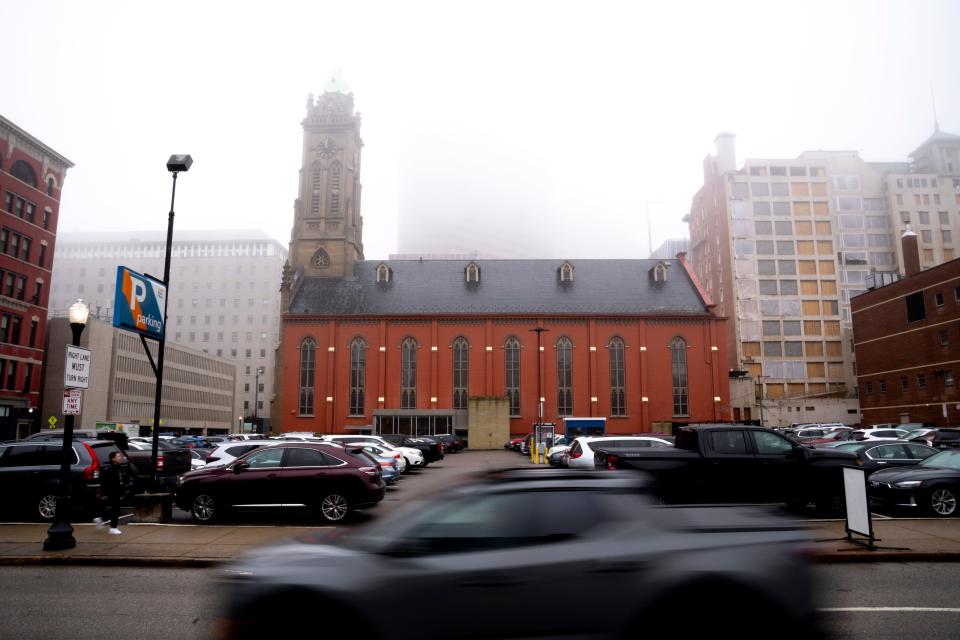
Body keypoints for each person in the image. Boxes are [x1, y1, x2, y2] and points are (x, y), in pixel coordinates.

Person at [93, 451, 130, 535]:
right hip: (112, 491)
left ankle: (100, 518)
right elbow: (105, 482)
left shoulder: (118, 467)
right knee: (115, 509)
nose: (120, 457)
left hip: (117, 491)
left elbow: (121, 479)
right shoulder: (110, 469)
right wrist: (104, 493)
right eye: (118, 456)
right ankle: (113, 528)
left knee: (113, 509)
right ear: (113, 458)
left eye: (120, 456)